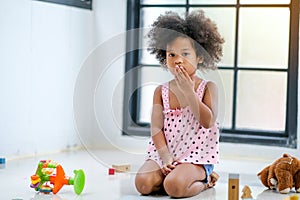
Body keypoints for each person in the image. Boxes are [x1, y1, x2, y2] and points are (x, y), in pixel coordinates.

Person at [135, 10, 224, 198]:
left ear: (199, 56)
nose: (177, 61)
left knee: (174, 187)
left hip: (196, 157)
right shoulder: (161, 91)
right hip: (166, 154)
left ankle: (205, 181)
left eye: (185, 54)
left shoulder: (209, 88)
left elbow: (207, 122)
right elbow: (156, 128)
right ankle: (169, 179)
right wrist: (166, 157)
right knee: (142, 184)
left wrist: (189, 93)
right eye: (171, 55)